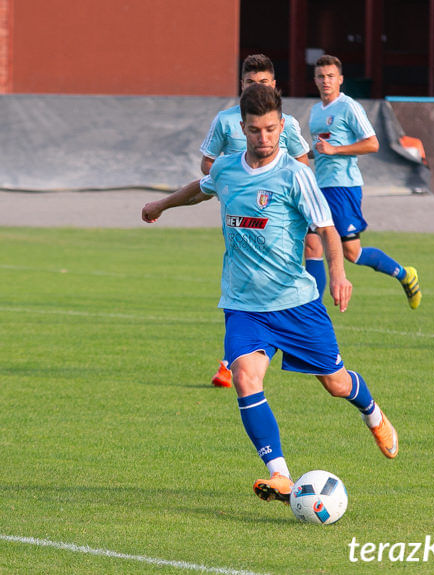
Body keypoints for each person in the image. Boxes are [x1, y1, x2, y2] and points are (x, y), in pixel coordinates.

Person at [142, 83, 398, 505]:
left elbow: (327, 229)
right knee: (244, 377)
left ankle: (373, 413)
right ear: (242, 129)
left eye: (271, 129)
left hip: (296, 304)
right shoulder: (227, 169)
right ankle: (279, 475)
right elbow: (200, 188)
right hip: (244, 305)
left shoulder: (296, 175)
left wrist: (338, 274)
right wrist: (161, 205)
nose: (264, 138)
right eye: (256, 130)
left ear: (282, 126)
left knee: (335, 384)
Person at [200, 53, 313, 388]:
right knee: (242, 278)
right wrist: (227, 183)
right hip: (240, 214)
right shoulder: (225, 121)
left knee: (320, 245)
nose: (256, 88)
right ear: (241, 86)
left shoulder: (286, 124)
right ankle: (232, 361)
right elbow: (207, 163)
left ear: (274, 86)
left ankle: (306, 307)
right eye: (250, 83)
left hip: (279, 210)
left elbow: (303, 161)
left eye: (263, 82)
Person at [308, 54, 421, 311]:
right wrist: (307, 154)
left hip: (343, 187)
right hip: (320, 186)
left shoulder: (349, 107)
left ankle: (405, 275)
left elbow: (372, 143)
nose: (326, 81)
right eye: (321, 76)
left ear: (340, 80)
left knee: (352, 253)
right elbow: (323, 147)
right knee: (312, 242)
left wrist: (336, 150)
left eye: (330, 76)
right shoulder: (316, 111)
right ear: (314, 80)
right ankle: (312, 308)